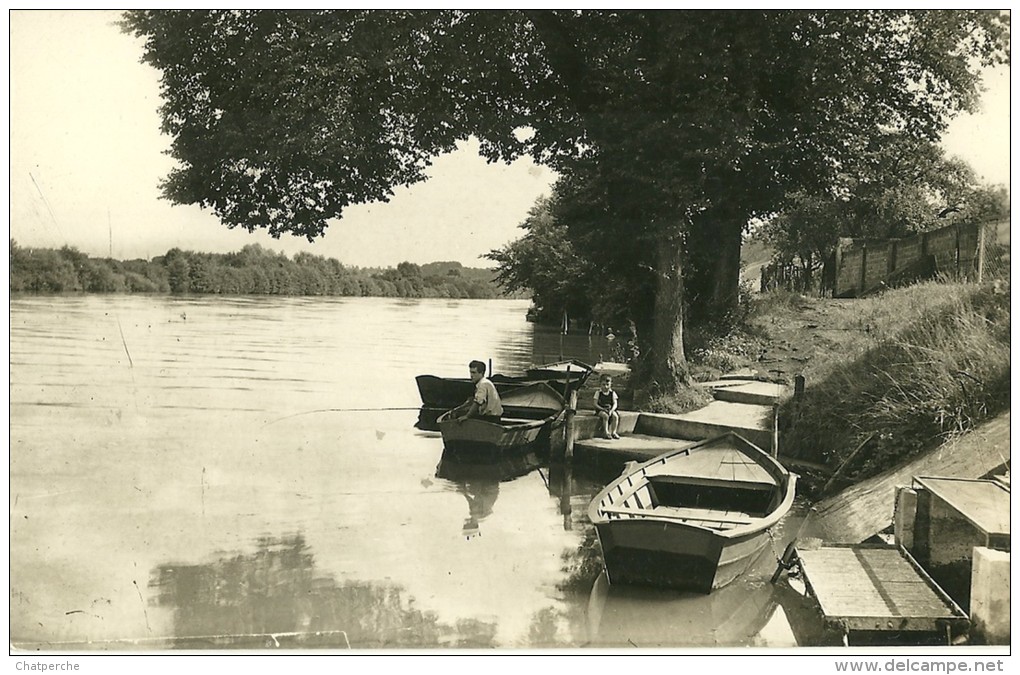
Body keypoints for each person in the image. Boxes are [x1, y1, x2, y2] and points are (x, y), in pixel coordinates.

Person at [593, 374, 620, 439]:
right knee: (605, 416)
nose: (605, 387)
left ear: (610, 384)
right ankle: (606, 432)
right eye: (603, 384)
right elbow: (595, 404)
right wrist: (602, 409)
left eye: (607, 385)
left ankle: (614, 432)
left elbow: (615, 404)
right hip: (601, 409)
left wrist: (611, 410)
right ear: (600, 384)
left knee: (615, 416)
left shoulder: (612, 393)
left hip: (610, 409)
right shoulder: (598, 393)